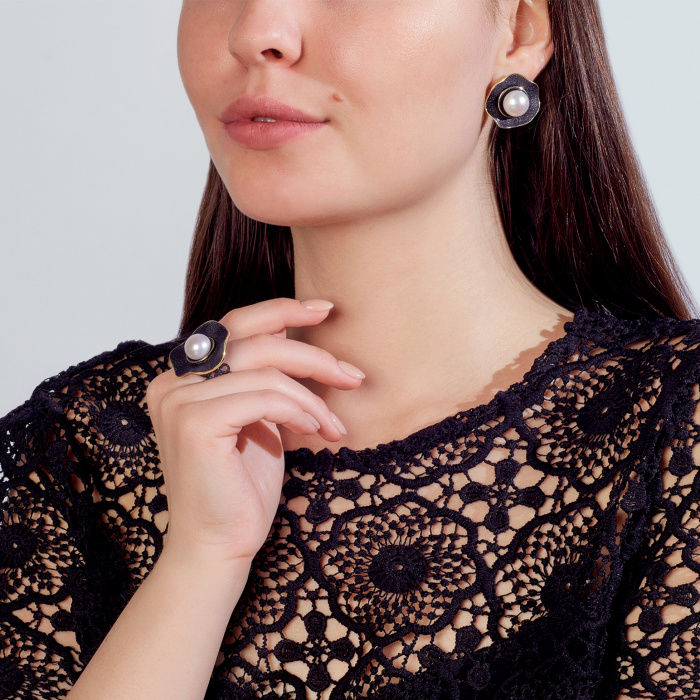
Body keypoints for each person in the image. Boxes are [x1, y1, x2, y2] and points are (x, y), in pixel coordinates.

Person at [1, 0, 699, 698]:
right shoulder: (76, 449)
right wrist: (199, 563)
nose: (257, 32)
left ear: (518, 30)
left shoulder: (676, 430)